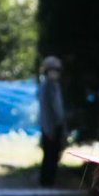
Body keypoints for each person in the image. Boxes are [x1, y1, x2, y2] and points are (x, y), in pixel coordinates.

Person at [37, 55, 67, 188]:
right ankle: (46, 181)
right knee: (49, 154)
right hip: (49, 125)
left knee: (54, 154)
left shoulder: (55, 86)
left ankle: (50, 180)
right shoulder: (46, 86)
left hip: (57, 125)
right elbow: (49, 109)